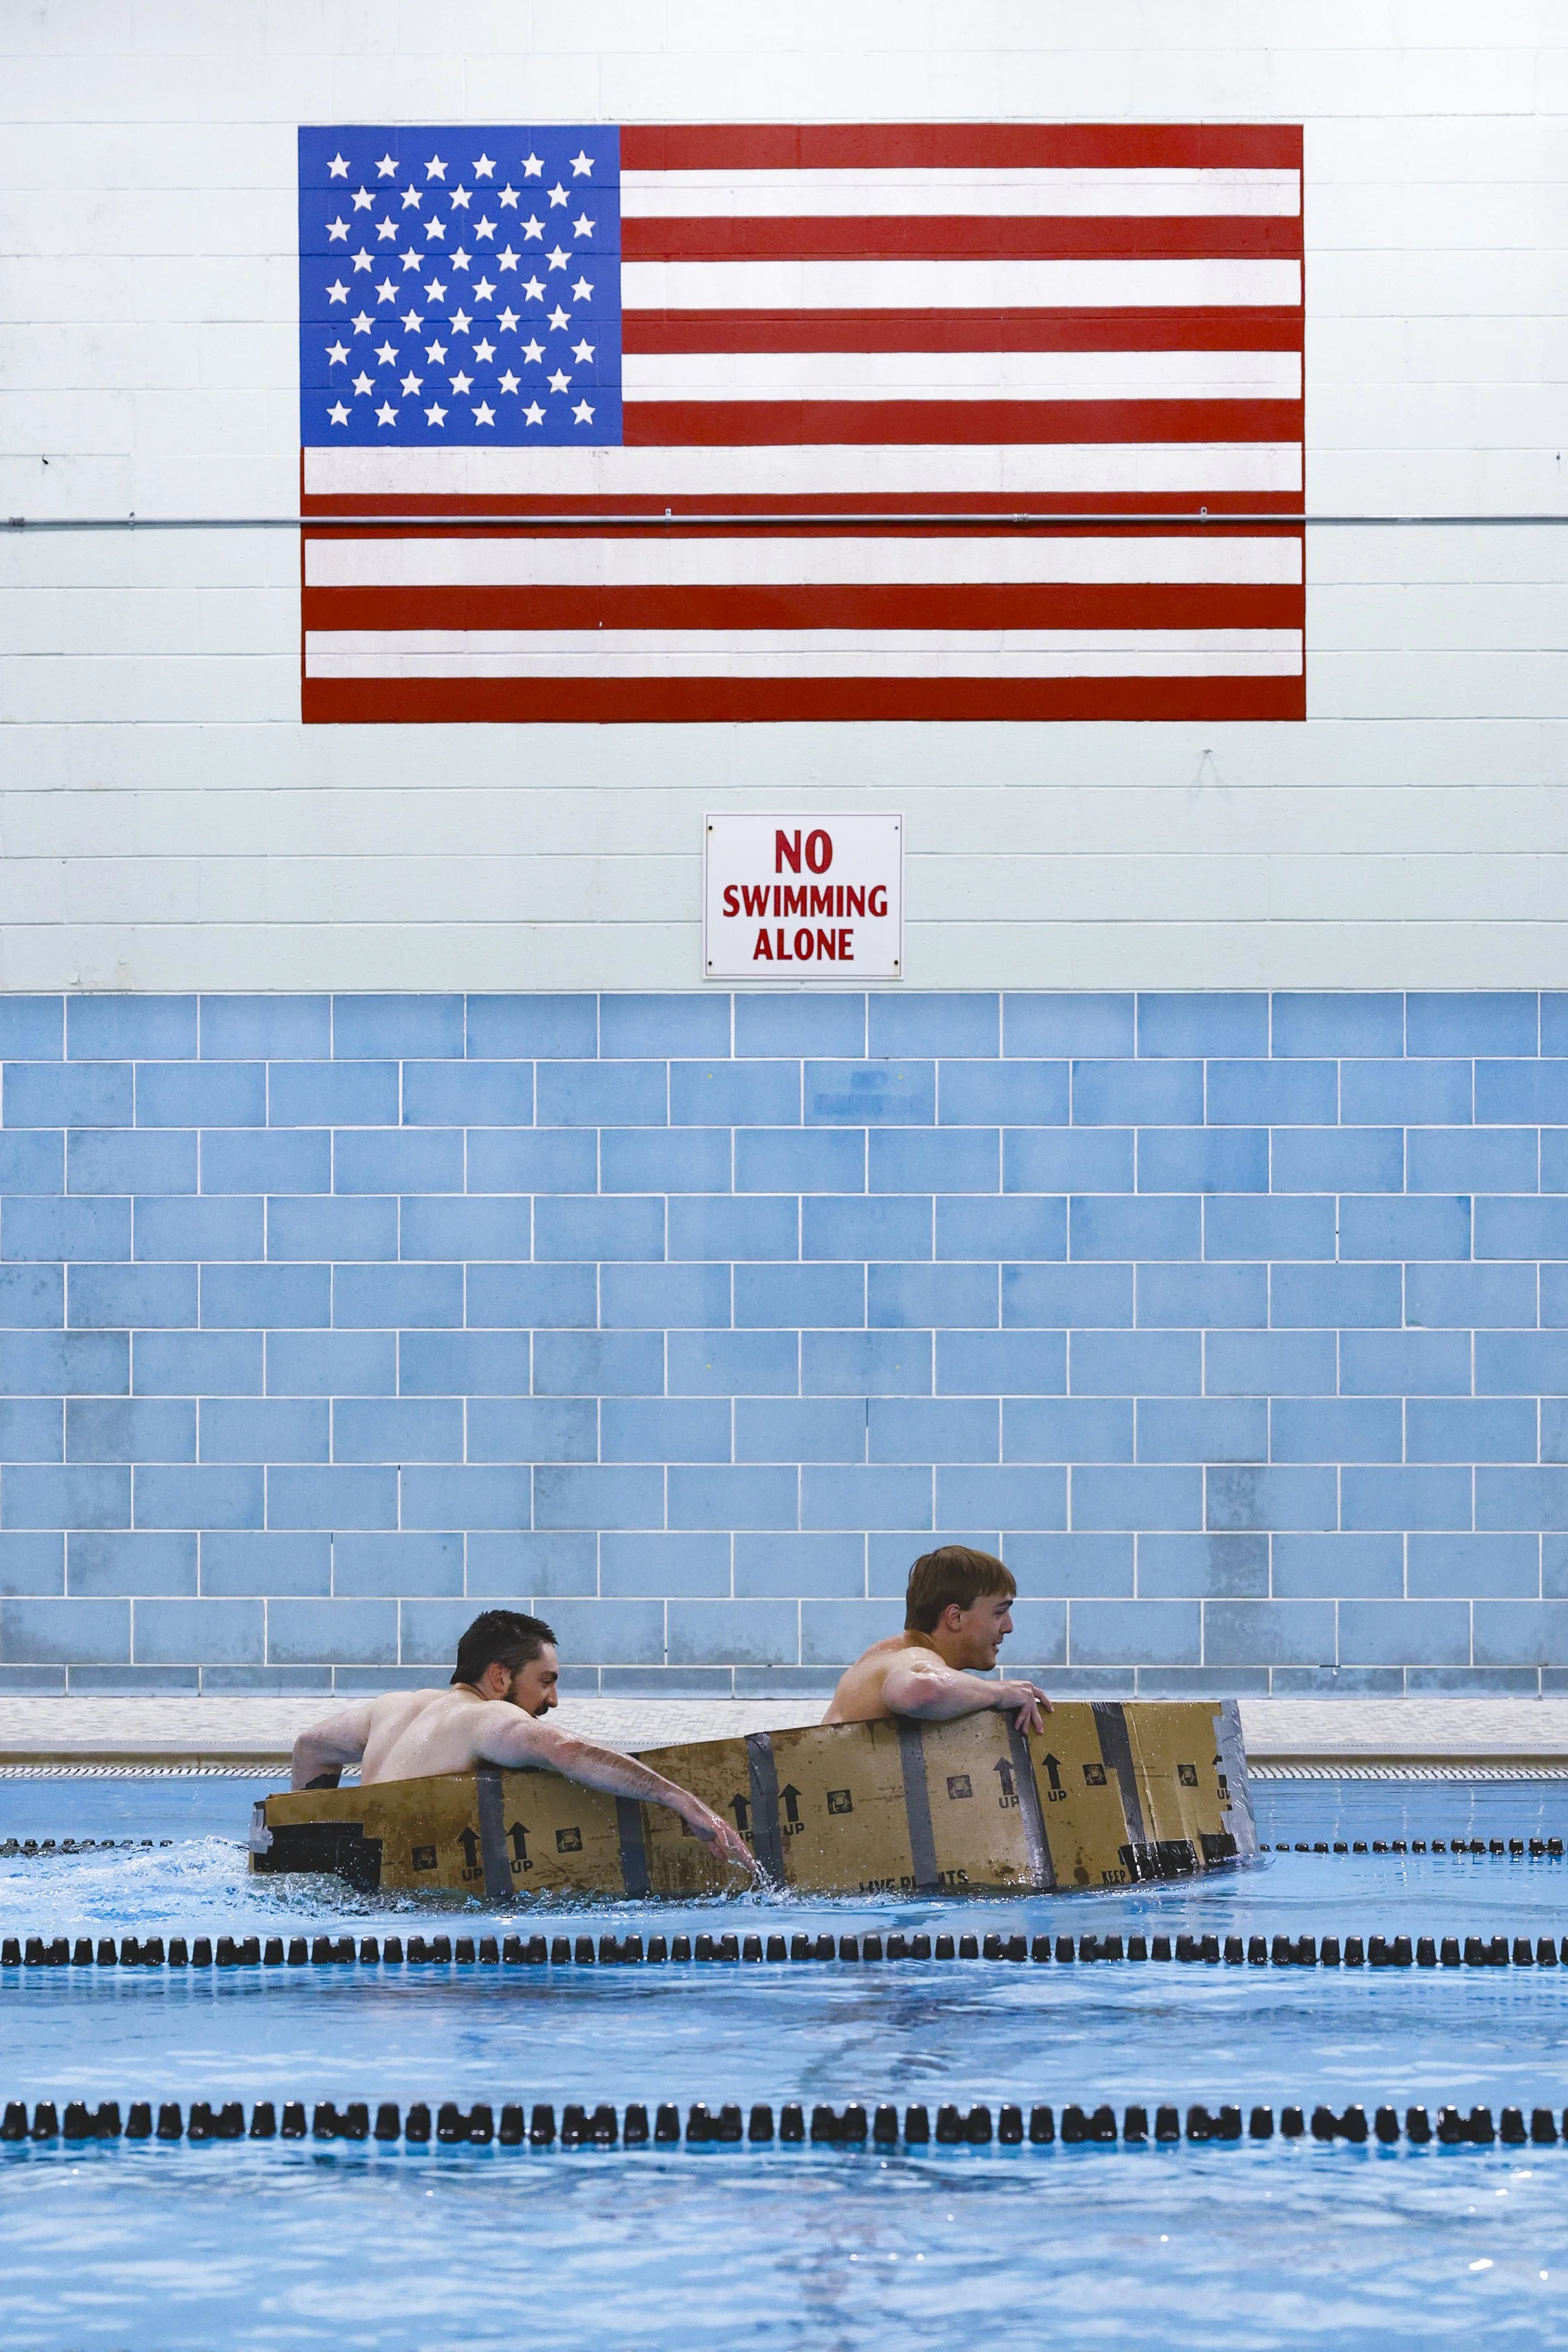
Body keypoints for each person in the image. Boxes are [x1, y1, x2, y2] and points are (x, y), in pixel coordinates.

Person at [287, 1608, 754, 1871]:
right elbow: (567, 1751)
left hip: (362, 1894)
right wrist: (684, 1802)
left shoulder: (390, 1707)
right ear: (499, 1676)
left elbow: (309, 1747)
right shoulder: (484, 1718)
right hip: (418, 1909)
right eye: (545, 1681)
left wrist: (312, 1857)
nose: (553, 1700)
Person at [822, 1545, 1051, 1733]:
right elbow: (918, 1691)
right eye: (999, 1612)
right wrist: (1000, 1693)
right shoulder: (914, 1656)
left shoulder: (885, 1652)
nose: (1009, 1627)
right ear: (956, 1617)